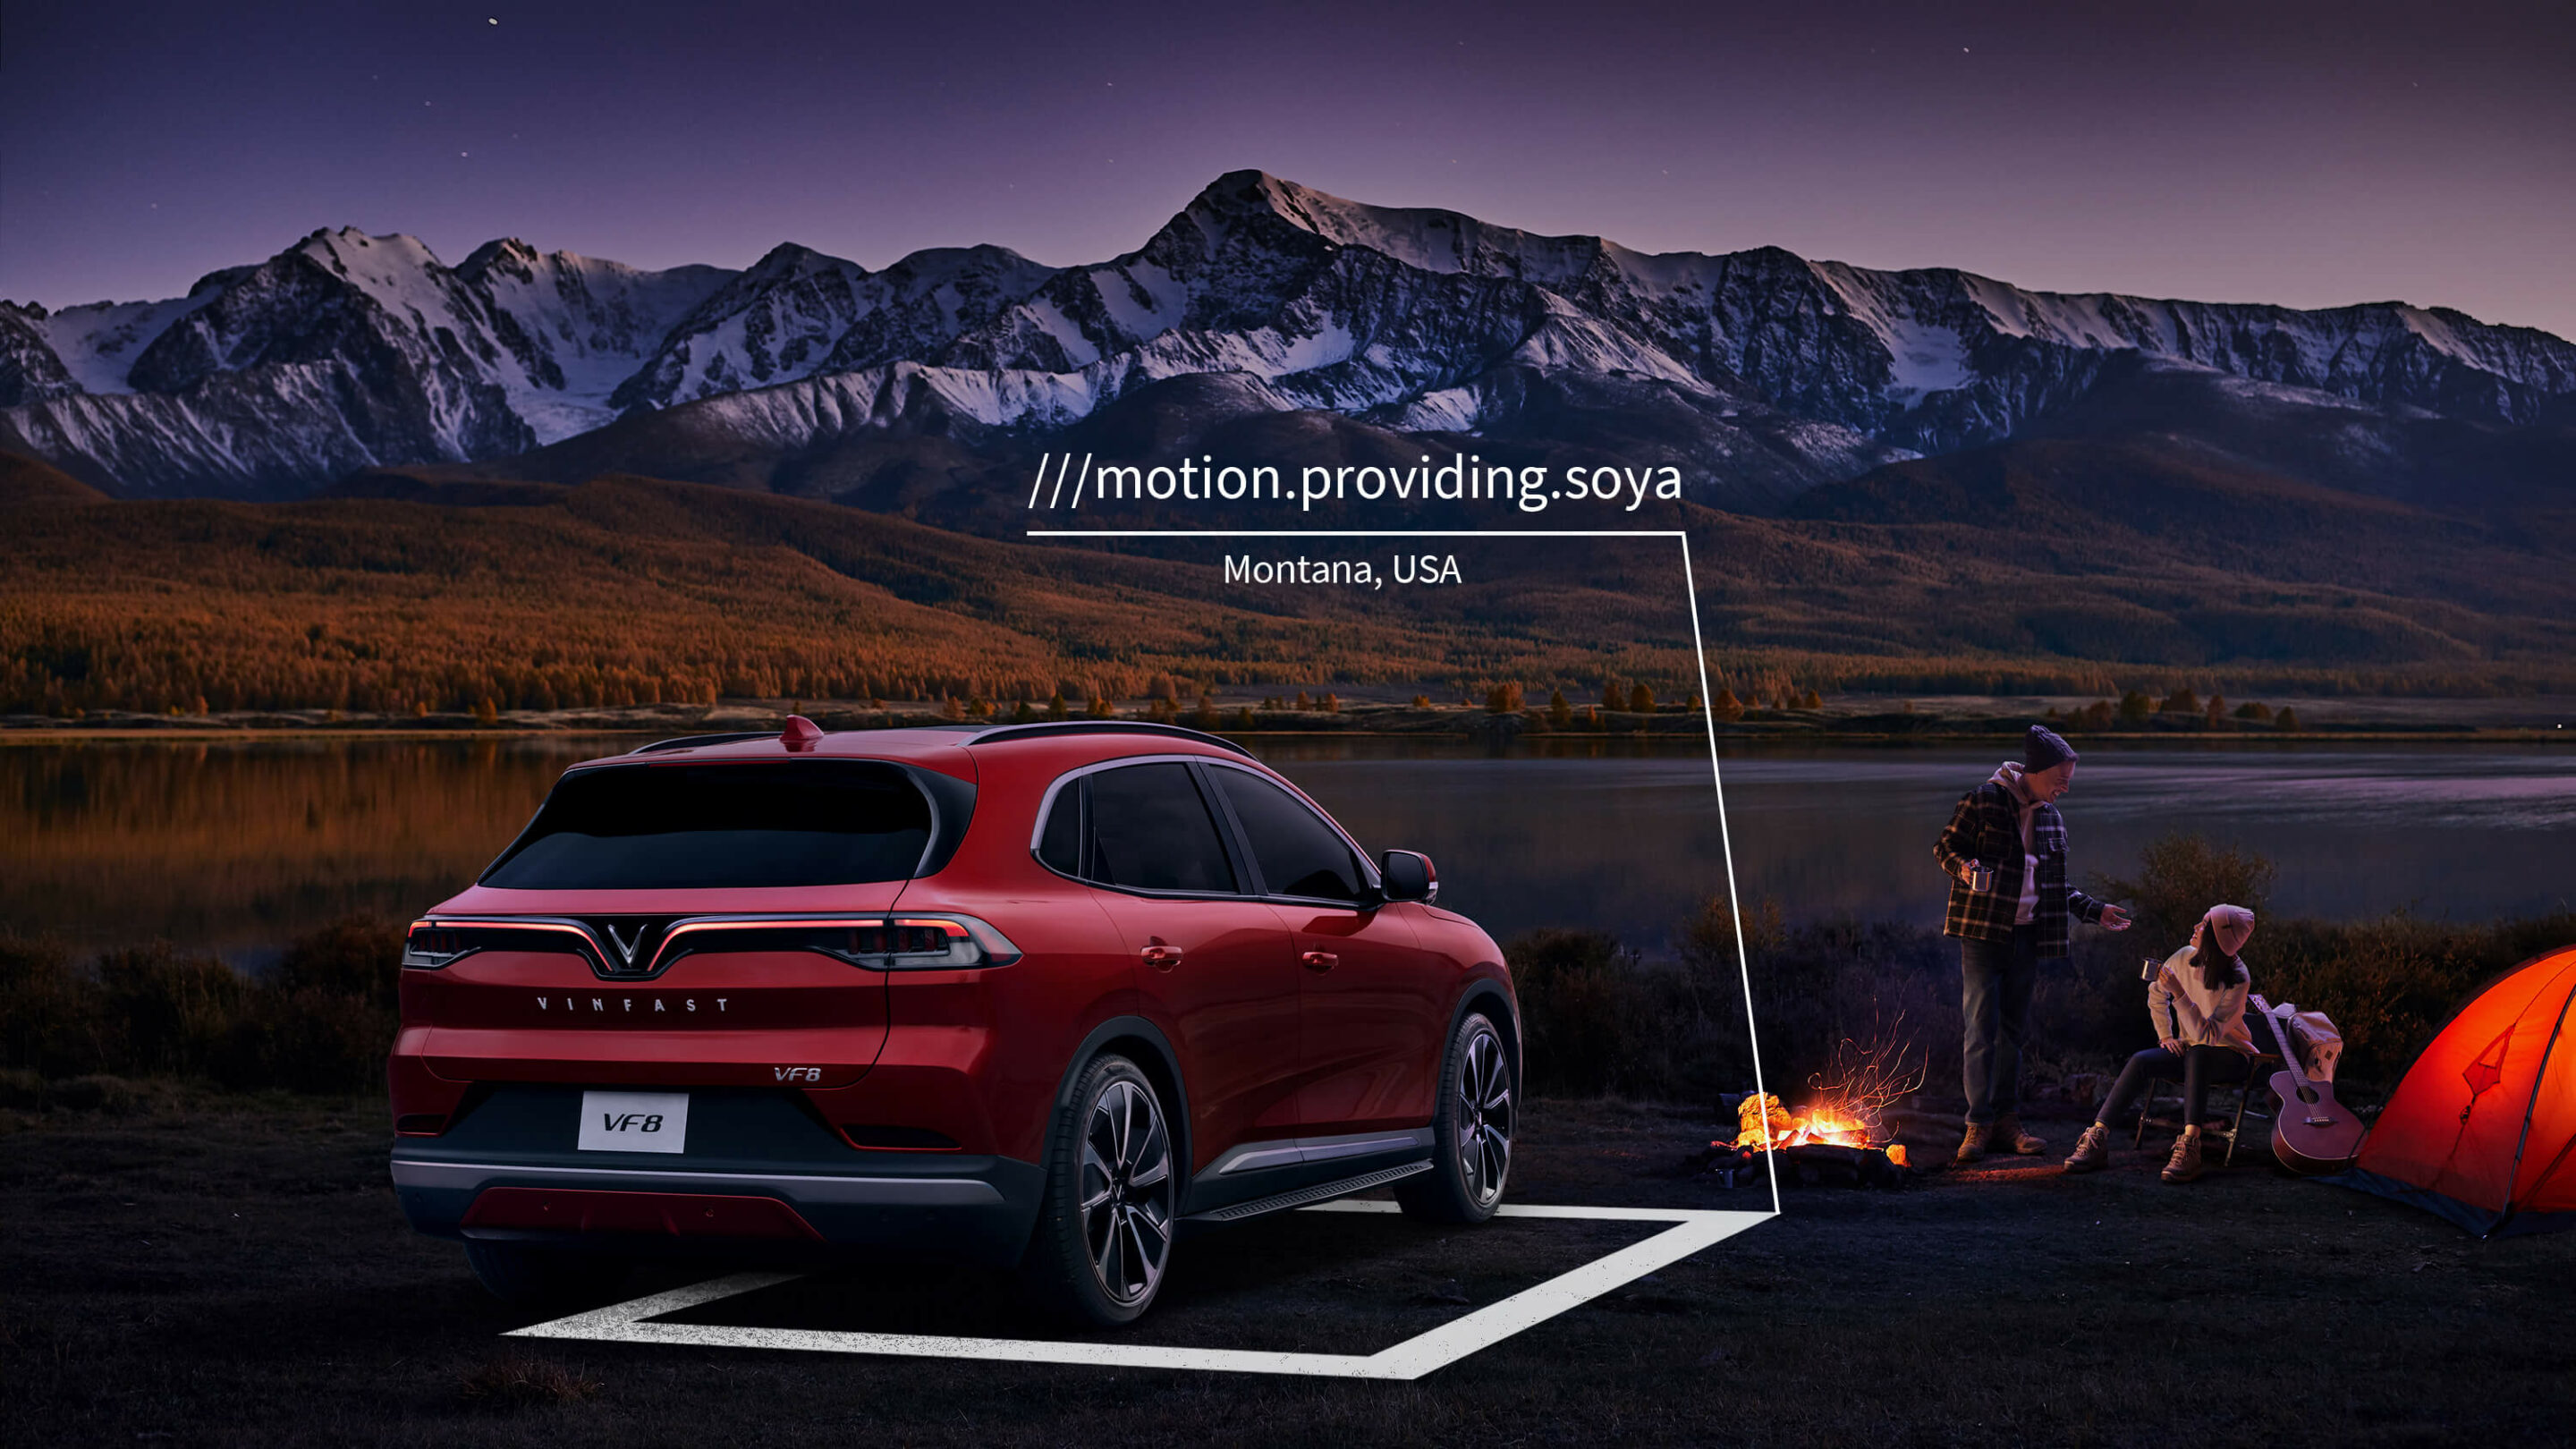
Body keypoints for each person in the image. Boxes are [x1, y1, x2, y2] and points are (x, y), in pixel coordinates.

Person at [1932, 724, 2132, 1164]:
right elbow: (1945, 847)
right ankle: (1977, 1125)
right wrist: (1965, 869)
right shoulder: (1982, 800)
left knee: (2012, 1034)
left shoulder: (2050, 816)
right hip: (1983, 935)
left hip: (2027, 936)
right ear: (2036, 770)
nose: (2065, 787)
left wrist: (2094, 910)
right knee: (1980, 1032)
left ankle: (2007, 1122)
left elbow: (2055, 885)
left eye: (2068, 780)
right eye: (2060, 778)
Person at [2064, 905, 2258, 1183]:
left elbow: (2210, 1036)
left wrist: (2180, 994)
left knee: (2200, 1053)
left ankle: (2191, 1143)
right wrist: (2166, 1036)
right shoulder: (2184, 957)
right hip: (2191, 1050)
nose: (2195, 927)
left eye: (2204, 925)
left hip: (2230, 1056)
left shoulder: (2238, 977)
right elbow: (2156, 994)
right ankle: (2097, 1136)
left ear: (2218, 937)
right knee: (2142, 1060)